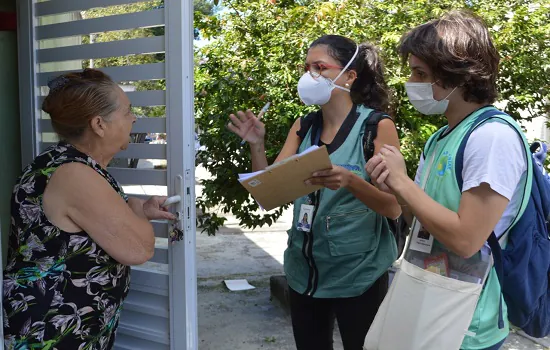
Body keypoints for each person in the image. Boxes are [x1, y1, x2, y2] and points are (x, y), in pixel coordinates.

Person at [228, 35, 401, 350]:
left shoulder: (377, 127)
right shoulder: (303, 126)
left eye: (320, 67)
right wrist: (257, 145)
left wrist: (351, 181)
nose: (309, 75)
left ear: (349, 75)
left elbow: (393, 208)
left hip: (358, 274)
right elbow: (268, 196)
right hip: (303, 272)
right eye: (306, 67)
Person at [366, 10, 522, 350]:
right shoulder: (439, 139)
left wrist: (404, 183)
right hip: (428, 302)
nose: (411, 82)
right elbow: (418, 221)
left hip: (467, 324)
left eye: (420, 73)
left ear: (459, 77)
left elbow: (467, 241)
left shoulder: (491, 136)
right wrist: (394, 186)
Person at [3, 69, 175, 349]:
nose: (133, 118)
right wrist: (139, 213)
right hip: (51, 333)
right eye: (127, 111)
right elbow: (138, 250)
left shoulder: (66, 163)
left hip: (63, 328)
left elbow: (91, 222)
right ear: (99, 124)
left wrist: (137, 208)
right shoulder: (75, 174)